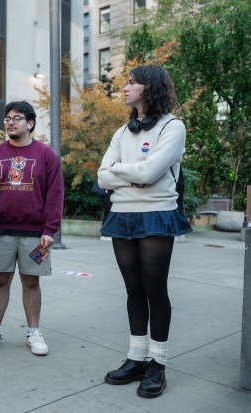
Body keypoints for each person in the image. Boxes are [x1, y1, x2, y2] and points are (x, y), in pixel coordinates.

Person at [97, 65, 192, 399]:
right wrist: (132, 174)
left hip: (156, 215)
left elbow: (151, 172)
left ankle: (158, 364)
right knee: (133, 290)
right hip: (122, 216)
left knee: (155, 290)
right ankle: (137, 357)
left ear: (149, 88)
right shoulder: (123, 131)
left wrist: (122, 172)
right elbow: (101, 177)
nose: (125, 87)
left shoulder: (173, 127)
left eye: (132, 82)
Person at [0, 101, 64, 356]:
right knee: (0, 280)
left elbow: (55, 195)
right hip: (0, 230)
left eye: (17, 118)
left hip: (35, 233)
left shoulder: (46, 156)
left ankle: (33, 332)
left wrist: (50, 230)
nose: (10, 122)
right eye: (7, 118)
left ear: (30, 123)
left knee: (31, 282)